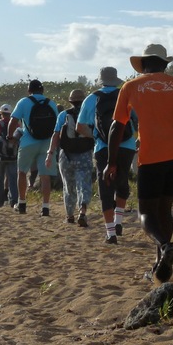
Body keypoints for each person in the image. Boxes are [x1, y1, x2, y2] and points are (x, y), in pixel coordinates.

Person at [103, 44, 173, 283]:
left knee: (146, 212)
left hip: (150, 157)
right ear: (164, 64)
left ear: (143, 64)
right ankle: (161, 265)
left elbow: (117, 125)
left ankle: (165, 246)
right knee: (164, 210)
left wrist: (111, 162)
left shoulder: (131, 86)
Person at [76, 67, 137, 234]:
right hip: (127, 145)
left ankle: (110, 233)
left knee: (106, 187)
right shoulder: (125, 95)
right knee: (122, 183)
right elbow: (137, 119)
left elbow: (79, 127)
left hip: (102, 147)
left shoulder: (91, 98)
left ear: (100, 80)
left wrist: (97, 136)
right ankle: (118, 221)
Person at [7, 79, 59, 216]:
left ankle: (22, 203)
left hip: (28, 143)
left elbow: (13, 121)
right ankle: (46, 207)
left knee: (22, 172)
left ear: (29, 91)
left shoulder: (24, 102)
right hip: (47, 143)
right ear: (42, 90)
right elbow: (57, 124)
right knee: (45, 176)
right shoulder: (51, 103)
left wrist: (10, 137)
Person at [46, 90, 94, 224]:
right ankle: (83, 211)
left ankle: (69, 216)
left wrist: (50, 154)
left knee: (68, 186)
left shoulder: (63, 115)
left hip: (66, 155)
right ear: (84, 101)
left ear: (70, 101)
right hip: (84, 154)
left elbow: (56, 135)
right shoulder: (90, 114)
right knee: (83, 184)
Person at [0, 104, 18, 208]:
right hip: (12, 155)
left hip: (0, 155)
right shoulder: (16, 124)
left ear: (1, 113)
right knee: (12, 179)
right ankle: (14, 201)